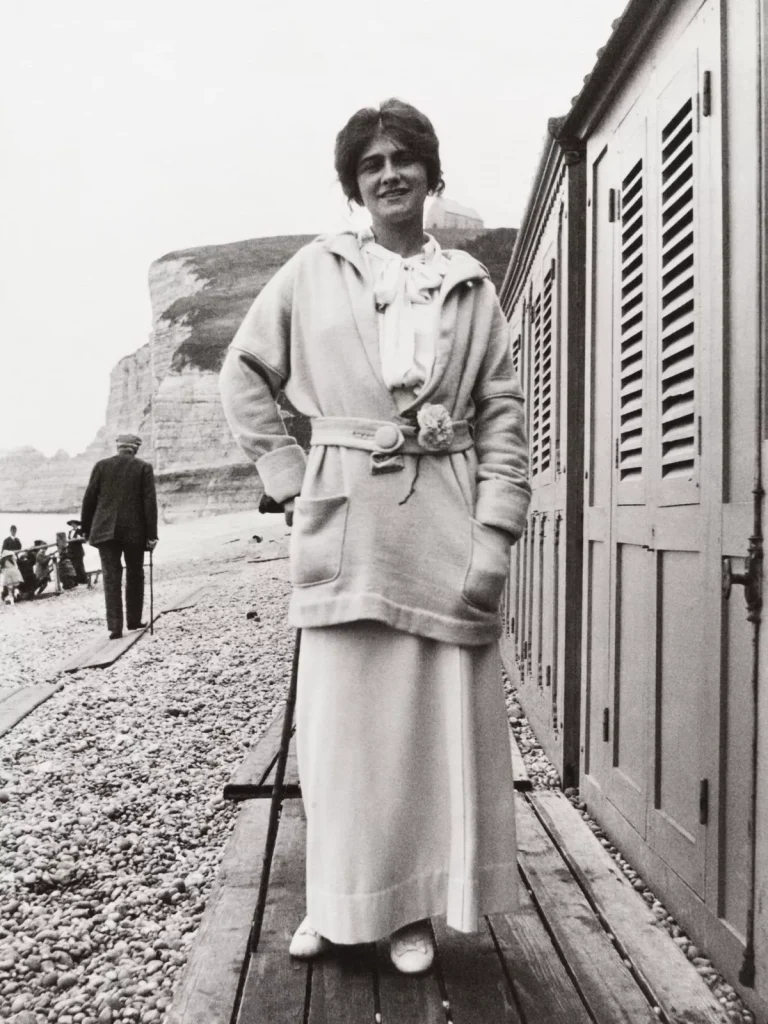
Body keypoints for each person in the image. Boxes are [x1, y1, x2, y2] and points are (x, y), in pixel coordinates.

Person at [219, 99, 531, 974]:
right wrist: (287, 478)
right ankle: (337, 898)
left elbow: (504, 418)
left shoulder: (470, 285)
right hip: (345, 520)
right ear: (355, 185)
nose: (389, 173)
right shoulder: (313, 271)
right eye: (371, 164)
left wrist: (496, 530)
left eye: (404, 158)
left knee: (431, 734)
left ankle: (410, 912)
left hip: (447, 521)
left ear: (433, 173)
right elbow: (244, 374)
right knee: (340, 732)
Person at [80, 433, 159, 639]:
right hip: (134, 532)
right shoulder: (143, 468)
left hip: (105, 532)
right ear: (135, 449)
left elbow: (89, 500)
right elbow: (149, 503)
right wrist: (152, 535)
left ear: (119, 448)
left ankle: (115, 628)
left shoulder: (101, 466)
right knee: (135, 573)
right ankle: (134, 621)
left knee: (111, 577)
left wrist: (86, 530)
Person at [66, 519, 89, 586]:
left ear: (77, 524)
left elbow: (84, 540)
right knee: (73, 566)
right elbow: (69, 541)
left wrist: (78, 539)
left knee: (79, 565)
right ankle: (75, 581)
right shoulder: (70, 532)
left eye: (74, 524)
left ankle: (83, 580)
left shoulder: (80, 531)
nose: (72, 525)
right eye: (71, 524)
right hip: (71, 551)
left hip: (78, 550)